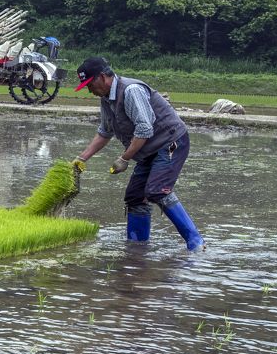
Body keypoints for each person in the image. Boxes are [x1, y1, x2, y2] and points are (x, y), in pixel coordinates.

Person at [71, 57, 205, 251]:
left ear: (102, 77)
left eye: (89, 84)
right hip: (147, 150)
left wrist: (124, 158)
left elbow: (144, 129)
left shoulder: (131, 90)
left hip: (171, 142)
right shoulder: (106, 99)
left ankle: (195, 241)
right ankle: (137, 248)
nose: (89, 90)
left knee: (157, 190)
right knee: (135, 196)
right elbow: (104, 132)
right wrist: (81, 158)